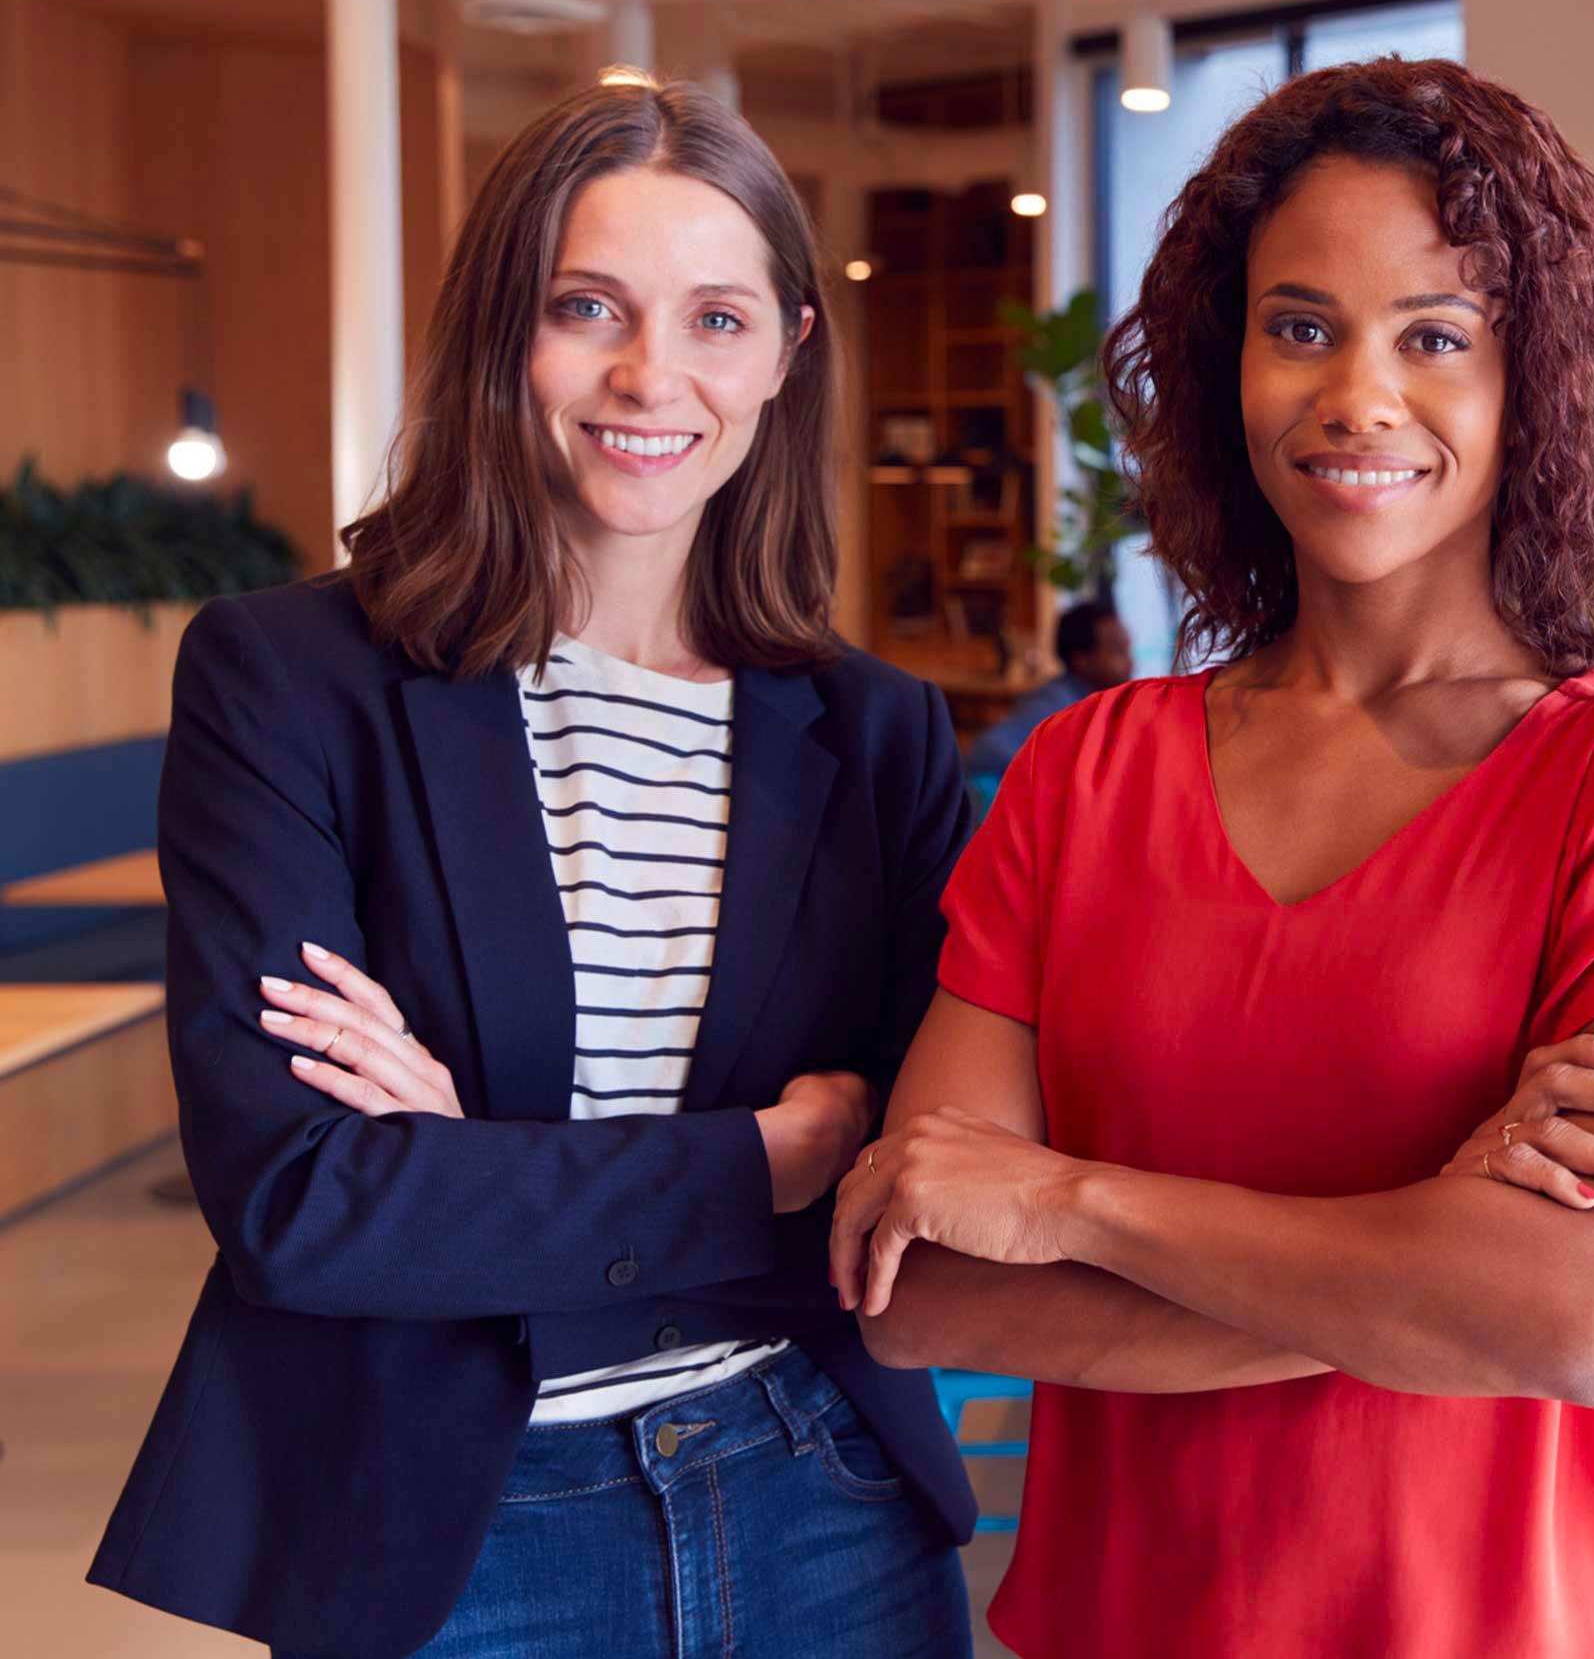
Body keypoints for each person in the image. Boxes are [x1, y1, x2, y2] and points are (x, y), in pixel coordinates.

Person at [831, 57, 1594, 1659]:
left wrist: (1069, 1201)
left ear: (1528, 379)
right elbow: (918, 1280)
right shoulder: (1087, 772)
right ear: (1230, 363)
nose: (1357, 395)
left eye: (1435, 336)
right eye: (1300, 326)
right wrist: (1428, 1263)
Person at [89, 81, 976, 1659]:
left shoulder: (880, 732)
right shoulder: (291, 683)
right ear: (506, 331)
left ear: (785, 352)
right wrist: (765, 1158)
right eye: (588, 307)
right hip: (457, 1538)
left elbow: (919, 1178)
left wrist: (476, 1166)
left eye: (716, 317)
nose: (653, 375)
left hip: (821, 1502)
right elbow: (305, 1204)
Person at [964, 600, 1134, 779]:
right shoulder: (1058, 706)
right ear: (1081, 659)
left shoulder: (1102, 704)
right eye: (1118, 651)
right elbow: (986, 750)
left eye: (1128, 650)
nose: (1130, 663)